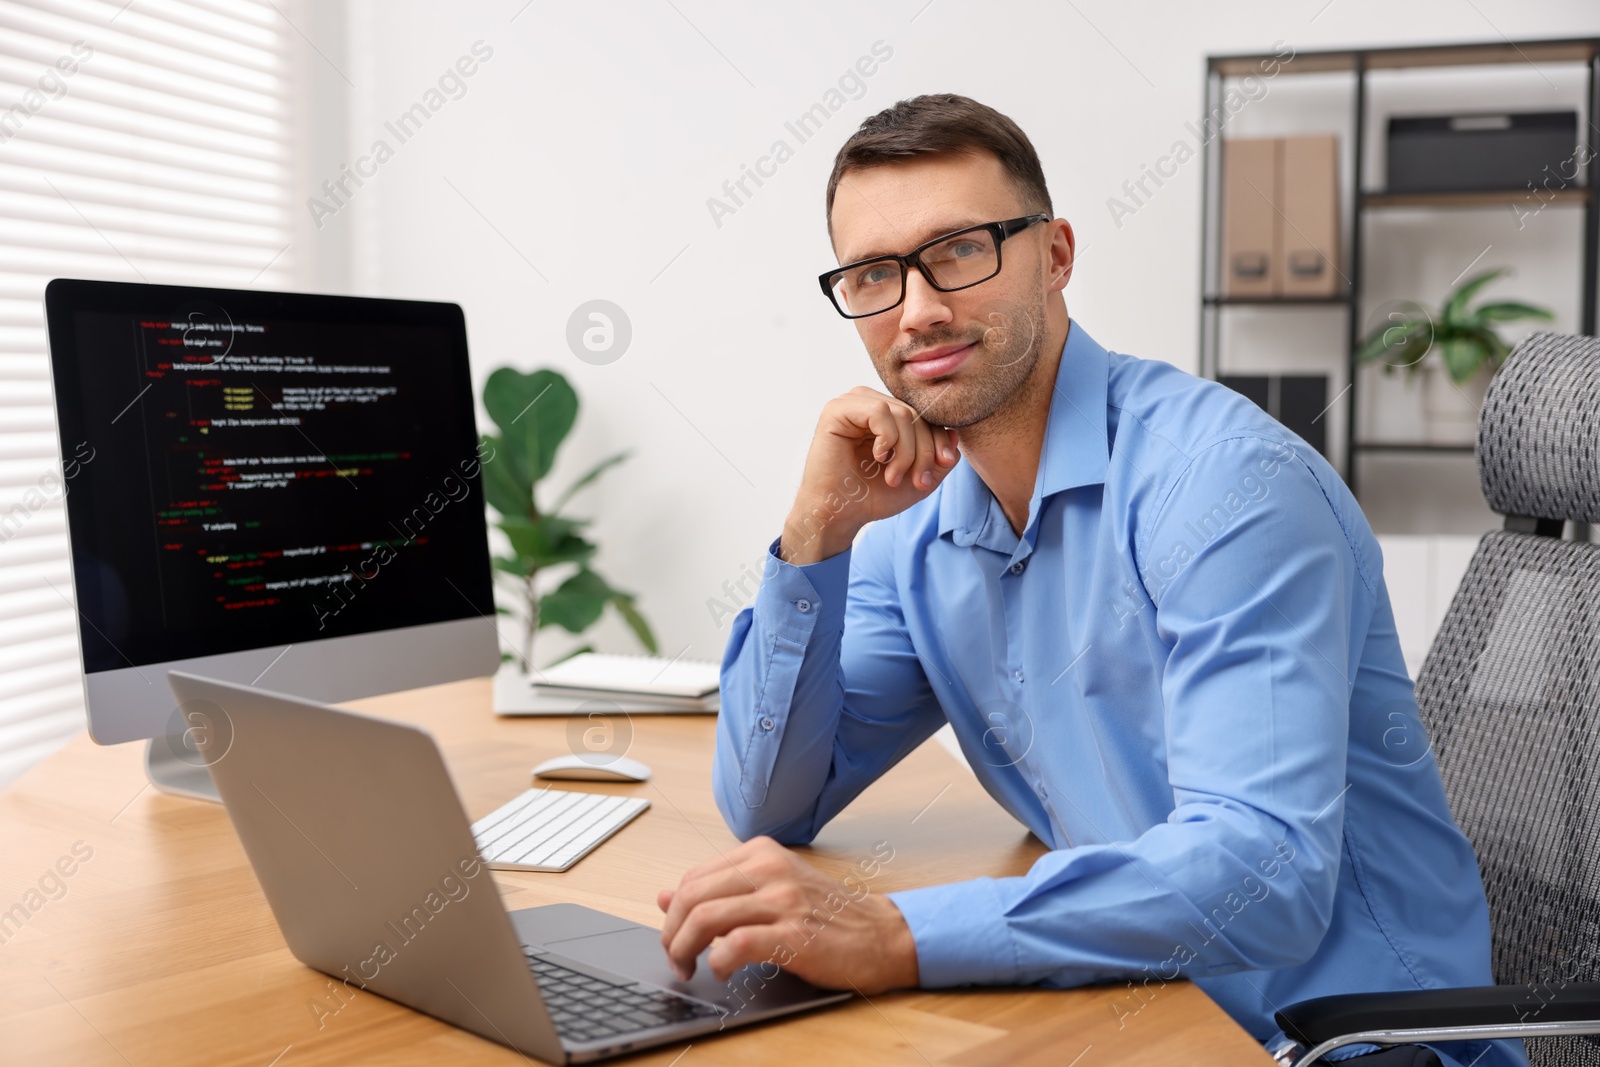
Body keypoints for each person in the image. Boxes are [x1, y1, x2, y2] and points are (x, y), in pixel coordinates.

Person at [655, 93, 1526, 1067]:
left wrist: (901, 933)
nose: (918, 307)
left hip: (1347, 1044)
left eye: (959, 249)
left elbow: (1263, 872)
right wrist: (813, 536)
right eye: (872, 274)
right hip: (1143, 1005)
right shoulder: (915, 528)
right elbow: (773, 805)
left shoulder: (1227, 487)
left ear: (1055, 253)